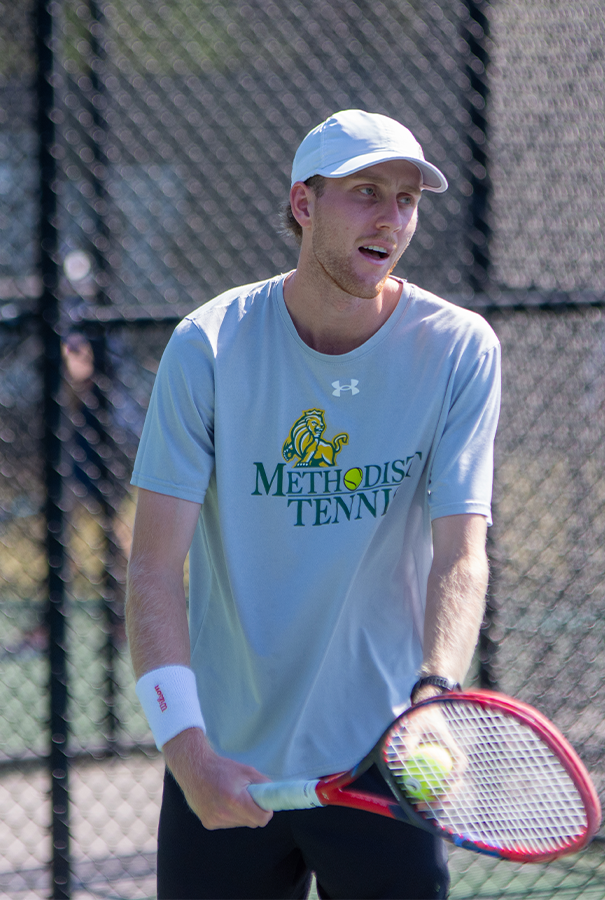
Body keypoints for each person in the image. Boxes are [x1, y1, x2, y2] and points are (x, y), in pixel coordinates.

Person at [126, 109, 501, 899]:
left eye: (406, 198)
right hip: (223, 764)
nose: (391, 218)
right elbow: (154, 568)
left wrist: (433, 697)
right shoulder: (209, 345)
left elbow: (461, 554)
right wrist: (189, 756)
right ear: (304, 204)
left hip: (383, 762)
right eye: (366, 193)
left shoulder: (460, 348)